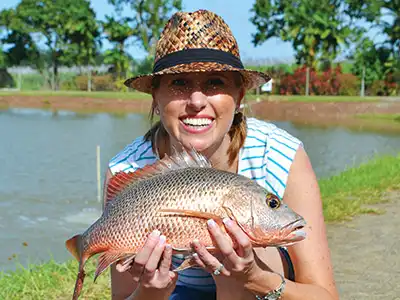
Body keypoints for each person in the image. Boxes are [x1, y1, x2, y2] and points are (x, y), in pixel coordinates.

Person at [104, 9, 339, 300]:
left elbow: (324, 295)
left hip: (261, 289)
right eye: (179, 83)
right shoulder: (128, 170)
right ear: (155, 96)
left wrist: (257, 278)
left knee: (257, 263)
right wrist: (151, 291)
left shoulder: (280, 154)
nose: (197, 101)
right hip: (176, 295)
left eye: (215, 82)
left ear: (239, 96)